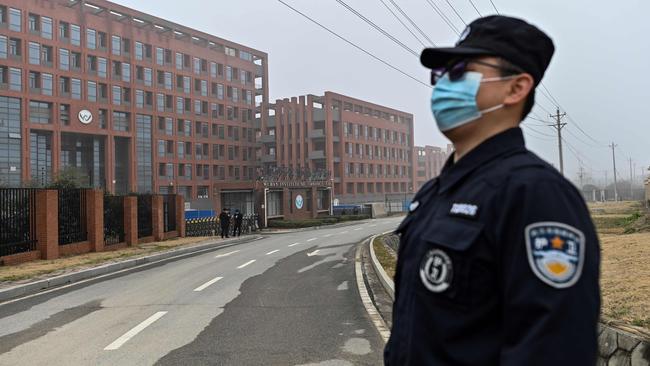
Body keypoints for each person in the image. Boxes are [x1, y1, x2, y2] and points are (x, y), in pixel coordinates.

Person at [385, 15, 600, 366]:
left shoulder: (537, 196)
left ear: (516, 88)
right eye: (440, 75)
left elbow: (551, 350)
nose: (442, 87)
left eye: (459, 72)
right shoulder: (433, 193)